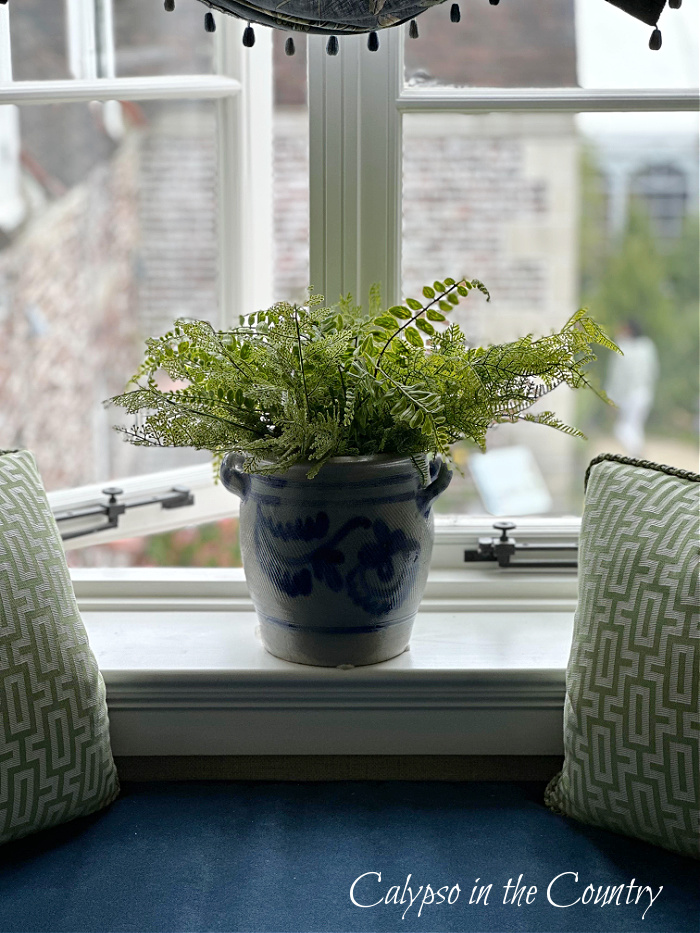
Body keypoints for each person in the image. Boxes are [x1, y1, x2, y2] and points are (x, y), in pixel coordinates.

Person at [605, 320, 659, 458]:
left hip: (629, 394)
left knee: (621, 429)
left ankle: (637, 453)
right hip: (645, 393)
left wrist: (611, 398)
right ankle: (637, 455)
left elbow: (617, 377)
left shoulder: (622, 349)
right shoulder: (647, 346)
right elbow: (653, 371)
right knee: (635, 427)